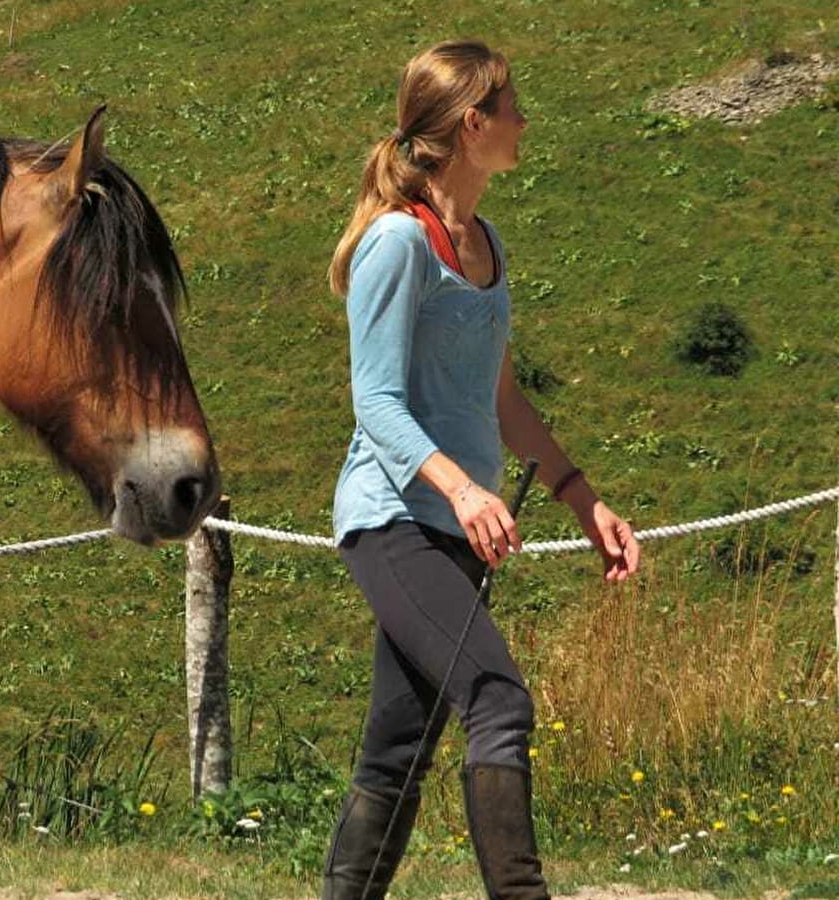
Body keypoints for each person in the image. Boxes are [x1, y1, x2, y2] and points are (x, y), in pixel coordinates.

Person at [322, 39, 642, 900]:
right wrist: (464, 489)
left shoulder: (487, 244)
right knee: (497, 700)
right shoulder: (398, 243)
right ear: (473, 126)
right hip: (392, 520)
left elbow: (503, 401)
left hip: (454, 527)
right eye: (512, 108)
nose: (523, 122)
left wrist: (585, 501)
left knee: (399, 743)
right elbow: (376, 404)